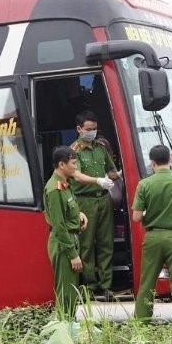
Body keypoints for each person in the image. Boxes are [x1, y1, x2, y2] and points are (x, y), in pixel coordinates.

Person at [131, 145, 172, 323]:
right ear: (170, 160)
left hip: (152, 238)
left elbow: (136, 217)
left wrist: (151, 213)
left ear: (152, 163)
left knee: (147, 283)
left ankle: (142, 322)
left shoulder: (144, 184)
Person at [69, 110, 122, 301]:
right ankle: (90, 285)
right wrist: (98, 180)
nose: (91, 132)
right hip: (85, 201)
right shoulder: (74, 151)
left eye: (94, 129)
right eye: (88, 129)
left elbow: (112, 171)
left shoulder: (101, 147)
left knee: (106, 243)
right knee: (87, 245)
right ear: (79, 129)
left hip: (103, 200)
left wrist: (119, 174)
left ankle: (106, 285)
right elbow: (78, 176)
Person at [44, 146, 88, 319]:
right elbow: (59, 225)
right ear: (62, 164)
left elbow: (67, 210)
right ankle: (64, 328)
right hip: (64, 245)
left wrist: (79, 215)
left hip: (70, 240)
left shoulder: (64, 184)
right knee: (66, 292)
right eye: (73, 163)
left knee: (72, 290)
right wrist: (72, 254)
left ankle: (69, 325)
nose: (76, 167)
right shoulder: (55, 189)